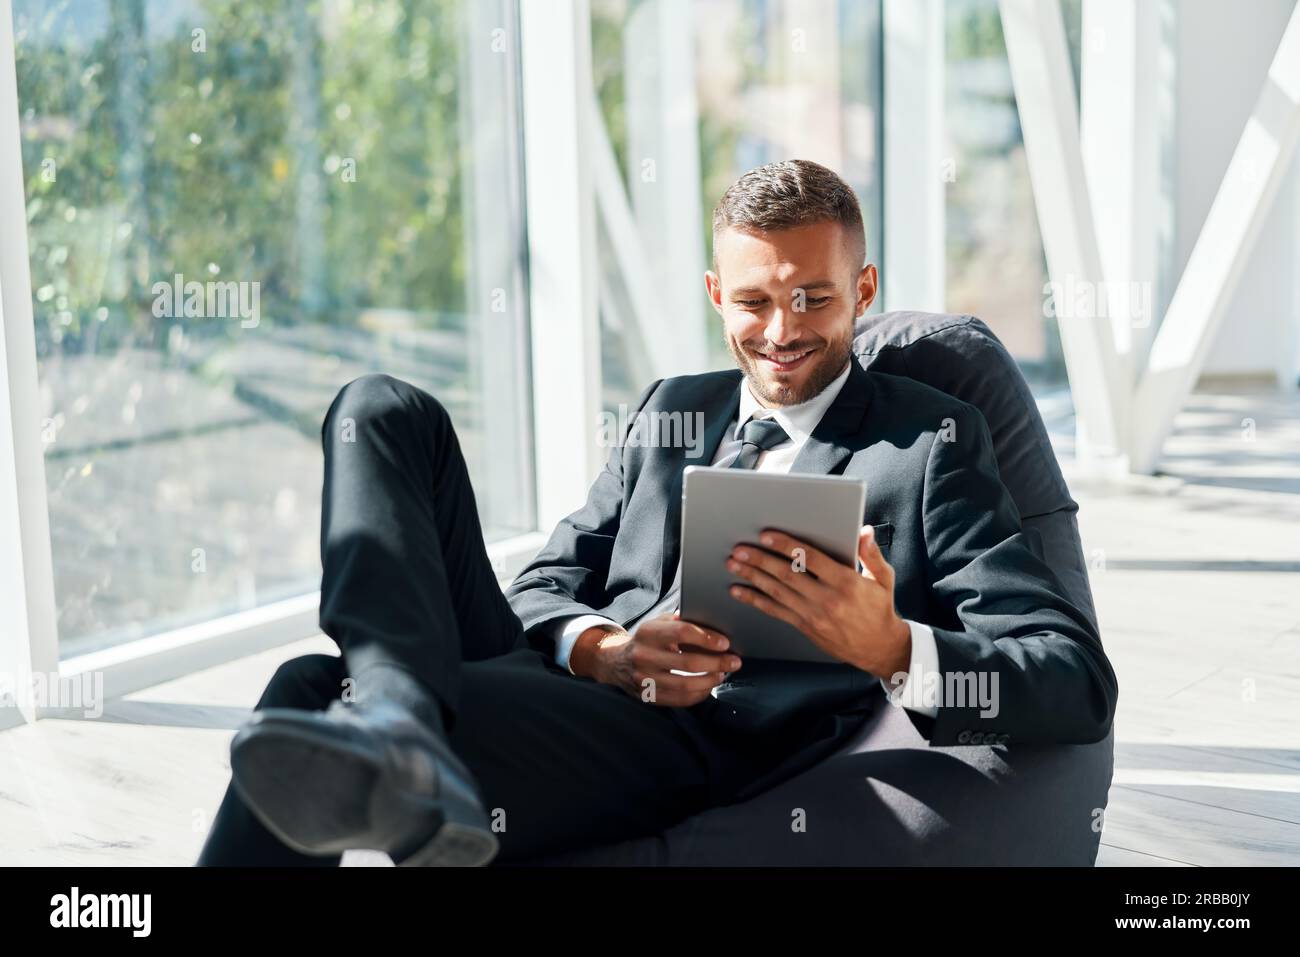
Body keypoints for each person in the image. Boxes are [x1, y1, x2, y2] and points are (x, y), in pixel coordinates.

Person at [197, 159, 1117, 867]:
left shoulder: (928, 443)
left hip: (697, 738)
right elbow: (545, 583)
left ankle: (399, 730)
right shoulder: (672, 406)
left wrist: (890, 645)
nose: (783, 329)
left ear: (864, 292)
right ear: (718, 295)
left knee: (308, 690)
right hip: (576, 678)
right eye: (753, 300)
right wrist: (603, 648)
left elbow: (1073, 682)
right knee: (378, 408)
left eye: (815, 297)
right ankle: (400, 723)